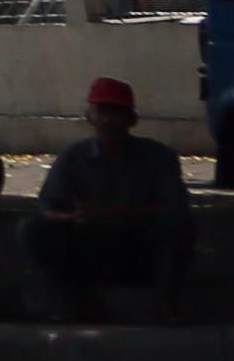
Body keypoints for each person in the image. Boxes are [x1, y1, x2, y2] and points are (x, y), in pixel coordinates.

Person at [14, 77, 197, 318]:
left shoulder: (157, 157)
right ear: (90, 117)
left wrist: (115, 213)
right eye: (102, 112)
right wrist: (72, 217)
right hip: (93, 245)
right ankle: (79, 302)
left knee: (179, 225)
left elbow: (175, 207)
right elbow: (48, 206)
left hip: (141, 247)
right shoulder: (74, 157)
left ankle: (167, 304)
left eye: (117, 113)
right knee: (31, 229)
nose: (109, 120)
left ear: (132, 120)